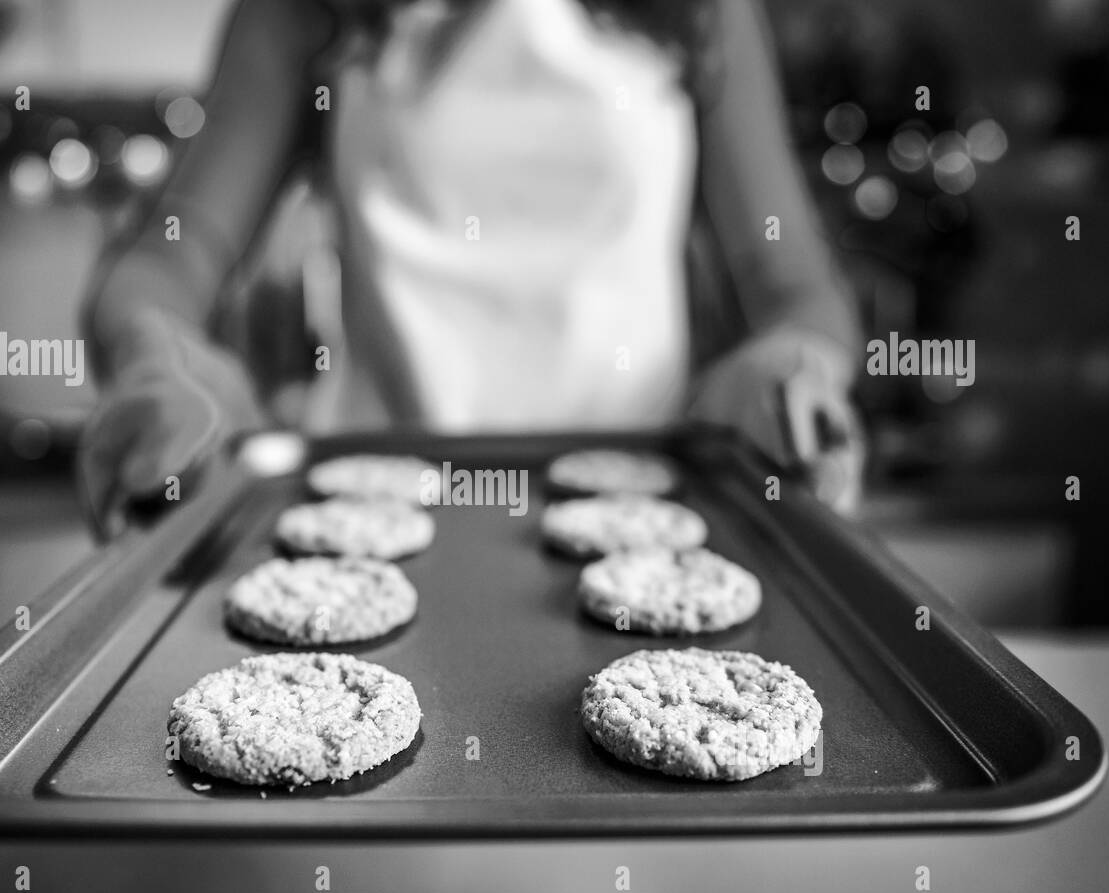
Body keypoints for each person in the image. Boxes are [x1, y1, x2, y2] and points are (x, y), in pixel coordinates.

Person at [79, 0, 863, 537]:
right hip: (370, 505)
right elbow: (167, 262)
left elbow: (791, 283)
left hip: (643, 509)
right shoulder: (307, 9)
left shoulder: (700, 11)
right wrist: (157, 360)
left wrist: (786, 369)